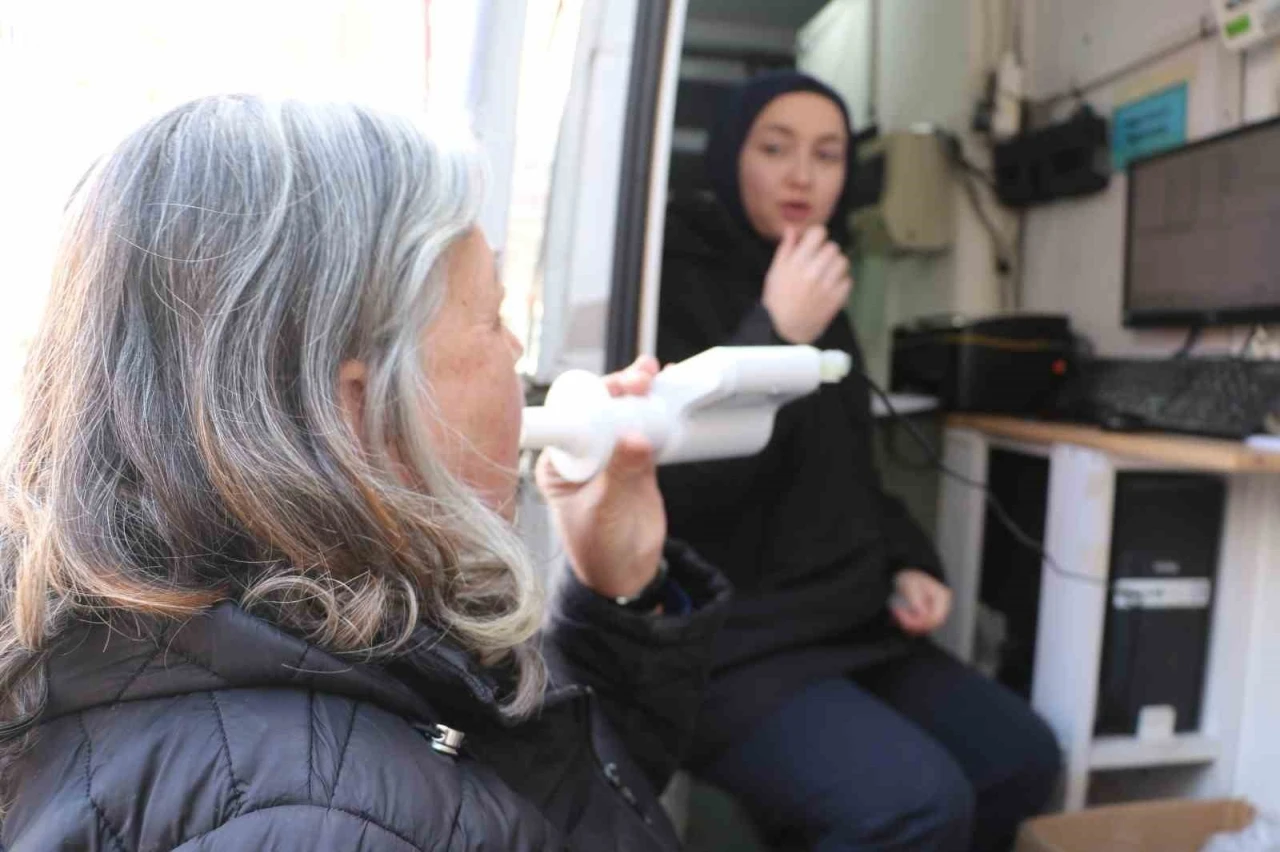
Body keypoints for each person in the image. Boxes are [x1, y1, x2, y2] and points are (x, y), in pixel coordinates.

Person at [0, 96, 730, 851]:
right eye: (491, 317)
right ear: (357, 408)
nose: (515, 352)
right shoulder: (317, 822)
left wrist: (620, 592)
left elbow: (539, 806)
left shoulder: (208, 659)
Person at [657, 71, 1061, 852]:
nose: (802, 176)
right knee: (916, 805)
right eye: (775, 149)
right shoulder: (671, 275)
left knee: (1020, 758)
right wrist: (776, 332)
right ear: (731, 156)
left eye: (828, 154)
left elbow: (847, 473)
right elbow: (680, 489)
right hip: (733, 644)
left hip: (848, 624)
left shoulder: (820, 286)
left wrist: (909, 561)